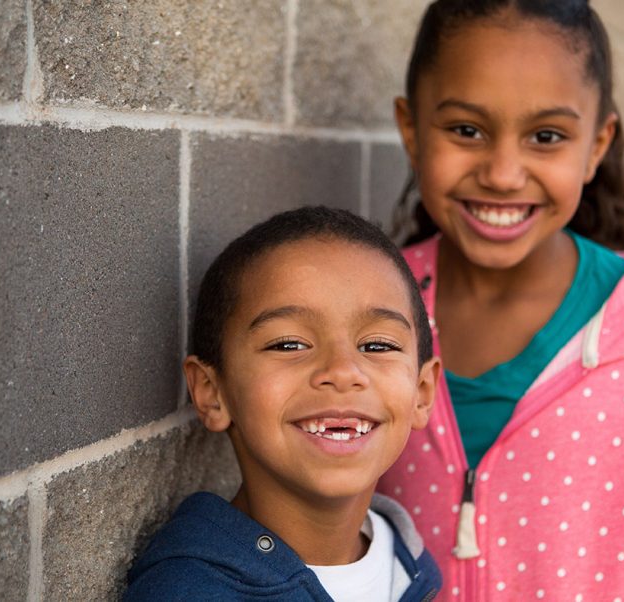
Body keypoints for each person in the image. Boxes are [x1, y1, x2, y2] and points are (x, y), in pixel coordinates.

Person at [376, 0, 624, 599]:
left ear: (597, 144)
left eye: (546, 136)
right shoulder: (366, 309)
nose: (504, 173)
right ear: (411, 129)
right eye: (466, 130)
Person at [124, 206, 443, 601]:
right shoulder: (187, 592)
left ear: (423, 392)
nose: (343, 371)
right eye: (289, 344)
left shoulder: (407, 563)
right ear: (211, 391)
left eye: (377, 345)